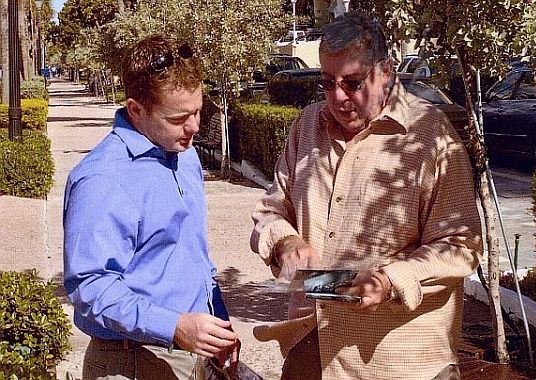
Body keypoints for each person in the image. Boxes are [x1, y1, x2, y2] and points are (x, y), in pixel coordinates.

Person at [250, 11, 483, 380]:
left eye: (353, 82)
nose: (338, 97)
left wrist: (390, 281)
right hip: (313, 346)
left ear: (386, 70)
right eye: (327, 83)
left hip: (399, 362)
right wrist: (286, 242)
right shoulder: (307, 126)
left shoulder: (431, 137)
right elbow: (271, 210)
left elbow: (460, 245)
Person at [63, 34, 239, 380]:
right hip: (130, 361)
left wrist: (219, 321)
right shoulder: (101, 180)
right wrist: (174, 327)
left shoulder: (183, 156)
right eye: (178, 118)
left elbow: (192, 256)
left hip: (190, 354)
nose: (194, 127)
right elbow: (91, 287)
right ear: (136, 110)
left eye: (199, 111)